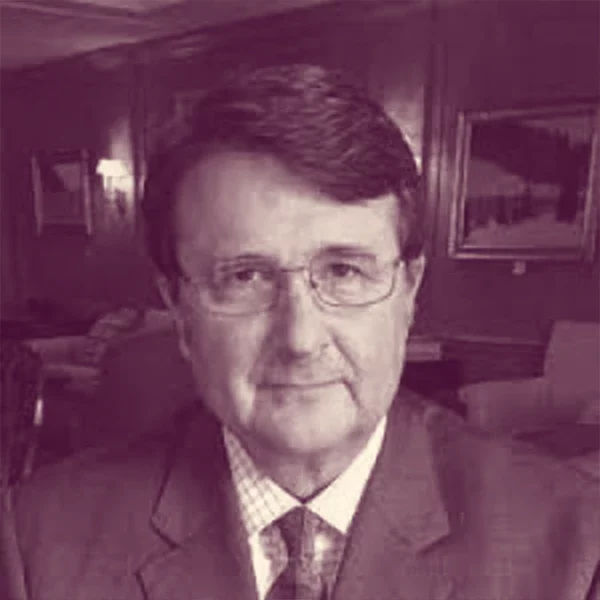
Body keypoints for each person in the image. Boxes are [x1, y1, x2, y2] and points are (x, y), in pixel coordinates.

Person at [1, 64, 598, 600]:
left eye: (344, 271)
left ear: (409, 292)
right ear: (179, 310)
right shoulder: (39, 542)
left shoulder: (574, 542)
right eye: (245, 276)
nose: (301, 338)